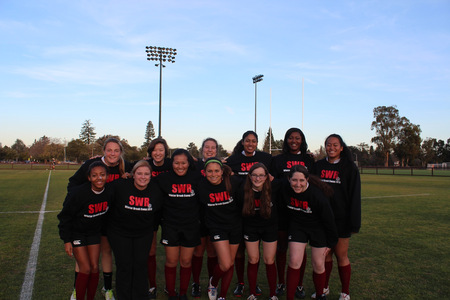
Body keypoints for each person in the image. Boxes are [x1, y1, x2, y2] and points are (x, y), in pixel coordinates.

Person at [67, 137, 131, 300]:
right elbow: (73, 184)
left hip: (112, 217)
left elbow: (145, 168)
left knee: (106, 251)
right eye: (109, 150)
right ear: (103, 151)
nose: (112, 153)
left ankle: (107, 289)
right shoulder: (92, 165)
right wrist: (83, 201)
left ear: (121, 152)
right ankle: (76, 289)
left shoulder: (125, 166)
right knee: (84, 257)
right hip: (91, 217)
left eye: (116, 150)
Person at [311, 134, 361, 300]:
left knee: (341, 255)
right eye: (328, 145)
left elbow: (354, 196)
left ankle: (345, 292)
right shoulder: (318, 166)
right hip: (321, 220)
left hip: (341, 219)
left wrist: (354, 222)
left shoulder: (349, 168)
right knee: (325, 255)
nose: (331, 148)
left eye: (335, 145)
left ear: (341, 147)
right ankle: (324, 288)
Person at [225, 131, 272, 297]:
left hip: (258, 210)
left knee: (255, 253)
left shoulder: (265, 158)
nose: (250, 144)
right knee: (240, 251)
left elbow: (275, 175)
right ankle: (241, 282)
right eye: (247, 141)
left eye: (253, 141)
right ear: (243, 142)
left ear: (257, 143)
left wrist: (307, 155)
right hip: (240, 208)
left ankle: (255, 283)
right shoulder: (234, 158)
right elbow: (223, 169)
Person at [107, 160, 163, 300]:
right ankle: (124, 296)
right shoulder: (120, 186)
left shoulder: (156, 190)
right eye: (139, 173)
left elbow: (158, 212)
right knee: (124, 266)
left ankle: (140, 296)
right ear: (133, 174)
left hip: (143, 234)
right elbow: (102, 192)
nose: (143, 177)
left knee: (140, 266)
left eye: (146, 174)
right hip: (120, 233)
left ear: (151, 176)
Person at [281, 165, 338, 300]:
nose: (298, 184)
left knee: (318, 263)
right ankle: (290, 297)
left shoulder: (317, 196)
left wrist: (331, 243)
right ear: (289, 179)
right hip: (298, 227)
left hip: (318, 228)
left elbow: (329, 221)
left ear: (307, 179)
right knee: (294, 260)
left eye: (301, 180)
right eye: (294, 180)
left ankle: (320, 294)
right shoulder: (285, 189)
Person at [270, 128, 314, 298]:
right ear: (286, 140)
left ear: (302, 140)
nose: (294, 141)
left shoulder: (308, 160)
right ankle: (281, 282)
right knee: (281, 249)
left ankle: (299, 285)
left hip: (301, 210)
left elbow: (313, 183)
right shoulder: (278, 160)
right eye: (290, 138)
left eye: (297, 138)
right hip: (282, 210)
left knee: (299, 251)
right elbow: (273, 182)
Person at [58, 161, 112, 300]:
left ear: (107, 176)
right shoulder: (78, 193)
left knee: (95, 268)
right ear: (89, 178)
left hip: (94, 233)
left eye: (102, 175)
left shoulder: (109, 192)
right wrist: (67, 240)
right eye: (94, 175)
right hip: (77, 233)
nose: (99, 178)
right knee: (85, 268)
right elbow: (65, 217)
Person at [156, 149, 201, 300]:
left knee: (186, 261)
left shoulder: (196, 177)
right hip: (171, 226)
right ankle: (171, 293)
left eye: (183, 163)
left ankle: (182, 293)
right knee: (171, 261)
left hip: (191, 226)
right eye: (176, 163)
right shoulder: (164, 178)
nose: (180, 166)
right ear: (171, 163)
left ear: (189, 163)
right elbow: (143, 174)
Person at [197, 157, 243, 300]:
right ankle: (213, 283)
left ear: (222, 171)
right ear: (204, 172)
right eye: (209, 171)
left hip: (235, 226)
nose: (213, 174)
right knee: (225, 263)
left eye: (216, 171)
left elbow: (254, 180)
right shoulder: (201, 185)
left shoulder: (233, 182)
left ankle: (222, 296)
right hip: (217, 227)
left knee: (229, 263)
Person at [241, 163, 280, 300]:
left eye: (261, 175)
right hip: (250, 228)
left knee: (269, 260)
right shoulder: (243, 189)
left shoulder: (274, 187)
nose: (258, 178)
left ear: (267, 176)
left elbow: (293, 182)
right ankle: (252, 293)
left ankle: (273, 294)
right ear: (250, 176)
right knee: (253, 259)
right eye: (255, 175)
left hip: (270, 227)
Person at [191, 138, 220, 298]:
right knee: (199, 250)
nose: (209, 150)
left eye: (213, 148)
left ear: (216, 150)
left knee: (212, 251)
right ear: (202, 149)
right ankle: (196, 283)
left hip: (216, 213)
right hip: (199, 213)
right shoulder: (195, 165)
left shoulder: (222, 166)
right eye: (207, 147)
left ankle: (211, 284)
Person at [145, 138, 172, 299]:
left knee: (172, 252)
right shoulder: (145, 164)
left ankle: (170, 286)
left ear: (165, 151)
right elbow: (126, 165)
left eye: (161, 149)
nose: (158, 153)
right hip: (151, 211)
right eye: (155, 149)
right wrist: (99, 159)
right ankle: (152, 286)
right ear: (150, 151)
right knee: (151, 250)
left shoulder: (171, 164)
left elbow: (191, 164)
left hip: (169, 211)